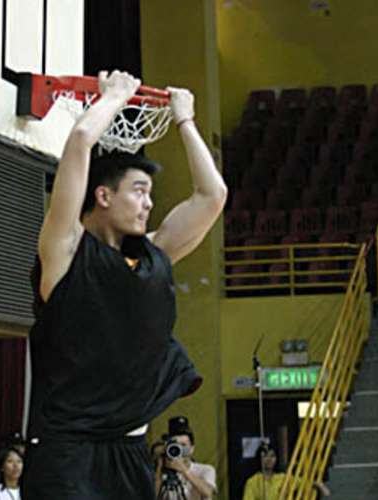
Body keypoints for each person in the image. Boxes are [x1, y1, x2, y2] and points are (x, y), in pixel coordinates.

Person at [21, 69, 227, 500]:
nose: (149, 203)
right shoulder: (64, 250)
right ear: (103, 196)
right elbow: (81, 141)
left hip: (131, 451)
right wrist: (114, 97)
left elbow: (212, 196)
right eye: (139, 191)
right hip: (67, 453)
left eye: (150, 193)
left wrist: (185, 120)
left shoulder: (155, 255)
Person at [154, 417, 217, 500]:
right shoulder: (163, 473)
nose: (179, 449)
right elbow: (150, 496)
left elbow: (207, 492)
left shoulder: (205, 469)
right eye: (176, 446)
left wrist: (184, 470)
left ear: (192, 448)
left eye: (183, 445)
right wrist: (159, 470)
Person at [242, 444, 330, 500]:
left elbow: (301, 482)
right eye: (265, 456)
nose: (269, 459)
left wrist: (319, 485)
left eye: (272, 456)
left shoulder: (282, 478)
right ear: (259, 458)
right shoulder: (252, 482)